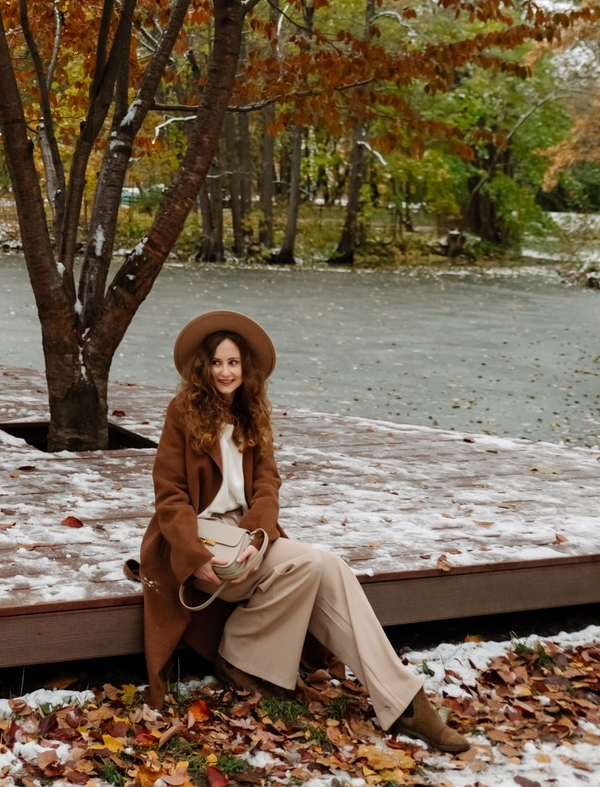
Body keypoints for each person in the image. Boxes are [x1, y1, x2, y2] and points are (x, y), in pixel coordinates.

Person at [138, 310, 469, 753]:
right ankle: (251, 656)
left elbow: (267, 484)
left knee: (326, 566)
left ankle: (405, 702)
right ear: (203, 367)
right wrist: (195, 556)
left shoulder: (252, 413)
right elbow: (170, 495)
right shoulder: (182, 412)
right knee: (313, 564)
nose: (224, 372)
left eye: (233, 363)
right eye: (216, 363)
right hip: (196, 542)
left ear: (245, 368)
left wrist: (257, 535)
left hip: (246, 535)